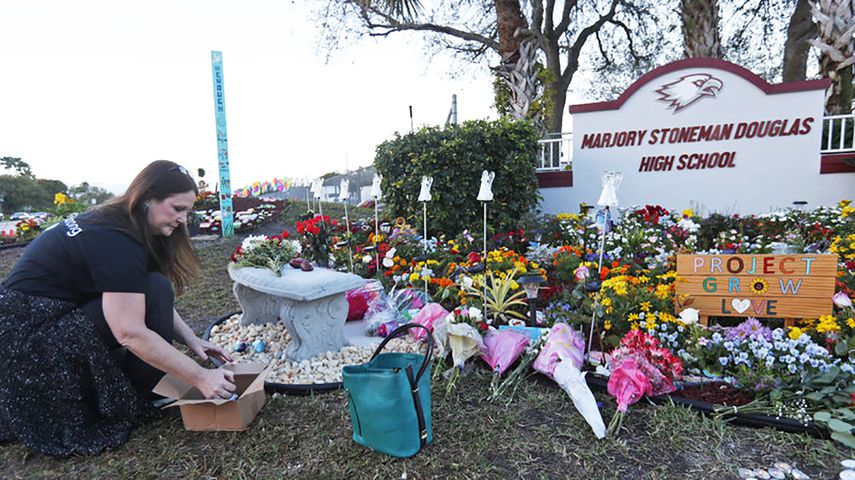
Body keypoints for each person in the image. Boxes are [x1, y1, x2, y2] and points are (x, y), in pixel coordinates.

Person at [0, 160, 235, 457]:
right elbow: (129, 332)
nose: (183, 220)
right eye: (177, 209)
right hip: (26, 340)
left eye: (187, 211)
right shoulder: (116, 240)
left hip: (38, 318)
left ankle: (147, 379)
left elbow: (142, 293)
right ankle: (145, 389)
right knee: (153, 292)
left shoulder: (121, 223)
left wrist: (192, 339)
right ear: (148, 198)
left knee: (155, 286)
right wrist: (200, 377)